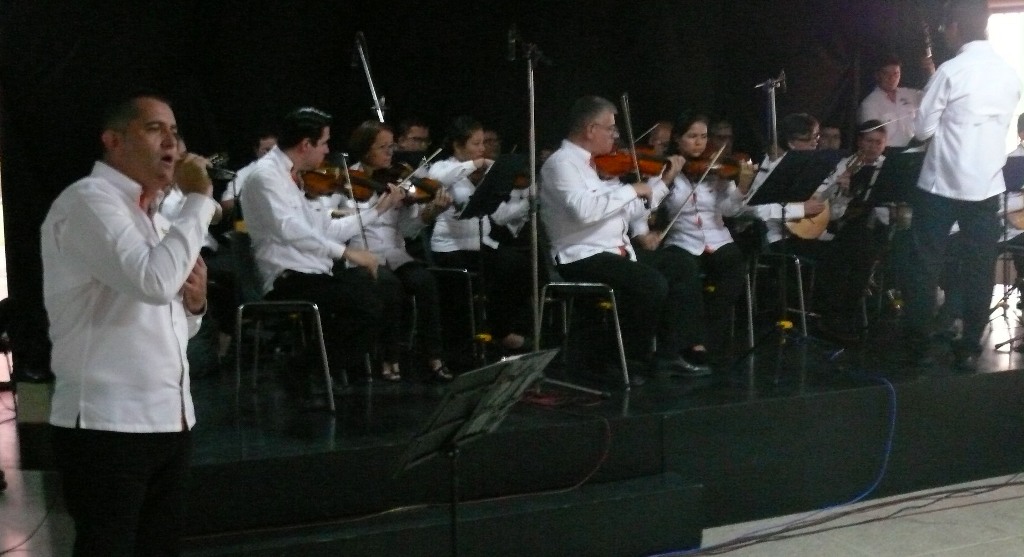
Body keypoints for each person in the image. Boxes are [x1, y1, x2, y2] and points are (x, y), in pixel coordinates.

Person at [41, 91, 218, 555]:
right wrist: (200, 199)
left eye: (176, 133)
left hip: (170, 418)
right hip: (107, 423)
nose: (172, 143)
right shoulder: (87, 201)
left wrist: (195, 307)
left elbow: (171, 319)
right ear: (114, 140)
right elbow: (155, 282)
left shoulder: (157, 216)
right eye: (155, 128)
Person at [240, 107, 401, 392]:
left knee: (385, 291)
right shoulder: (265, 177)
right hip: (287, 276)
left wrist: (378, 210)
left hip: (313, 270)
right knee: (367, 305)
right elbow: (290, 230)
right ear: (306, 145)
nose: (328, 150)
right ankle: (303, 369)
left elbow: (323, 227)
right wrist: (346, 253)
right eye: (324, 143)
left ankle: (320, 369)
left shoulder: (290, 175)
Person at [540, 95, 697, 382]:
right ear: (590, 130)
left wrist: (661, 184)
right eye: (611, 129)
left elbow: (627, 211)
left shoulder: (598, 165)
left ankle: (667, 354)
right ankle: (625, 357)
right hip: (580, 255)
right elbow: (585, 211)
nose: (615, 136)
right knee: (650, 284)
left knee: (681, 265)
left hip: (616, 250)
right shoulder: (560, 164)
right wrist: (631, 189)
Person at [903, 0, 1022, 370]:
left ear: (955, 27)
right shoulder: (1009, 73)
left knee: (925, 264)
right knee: (980, 266)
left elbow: (922, 130)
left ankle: (920, 345)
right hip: (986, 187)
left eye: (945, 28)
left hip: (940, 186)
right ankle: (970, 344)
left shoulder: (951, 71)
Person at [636, 111, 756, 372]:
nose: (699, 143)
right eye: (692, 137)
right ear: (678, 139)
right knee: (685, 272)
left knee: (734, 265)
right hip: (682, 239)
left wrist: (742, 188)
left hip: (718, 237)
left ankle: (710, 337)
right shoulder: (663, 169)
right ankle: (691, 342)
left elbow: (729, 211)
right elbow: (648, 209)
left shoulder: (718, 168)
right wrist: (667, 180)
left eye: (703, 136)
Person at [346, 120, 455, 381]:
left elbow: (408, 230)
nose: (389, 153)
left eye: (391, 146)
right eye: (382, 147)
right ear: (364, 149)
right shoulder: (348, 180)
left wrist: (430, 213)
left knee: (426, 281)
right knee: (390, 286)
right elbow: (340, 225)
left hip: (395, 253)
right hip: (363, 255)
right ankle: (389, 356)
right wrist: (378, 207)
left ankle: (434, 356)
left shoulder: (401, 181)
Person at [428, 115, 533, 354]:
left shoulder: (487, 173)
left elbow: (497, 213)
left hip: (481, 246)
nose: (482, 149)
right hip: (451, 248)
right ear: (458, 145)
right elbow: (439, 178)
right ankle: (460, 346)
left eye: (483, 143)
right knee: (462, 286)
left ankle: (500, 330)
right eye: (476, 144)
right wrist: (477, 164)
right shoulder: (442, 167)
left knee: (517, 265)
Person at [812, 120, 891, 341]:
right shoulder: (843, 165)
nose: (873, 147)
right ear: (859, 141)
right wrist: (841, 190)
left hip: (879, 225)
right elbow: (827, 208)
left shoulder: (888, 167)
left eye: (878, 142)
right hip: (843, 225)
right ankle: (840, 316)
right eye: (868, 141)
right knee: (855, 251)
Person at [858, 55, 931, 148]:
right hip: (887, 154)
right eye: (886, 74)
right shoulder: (869, 104)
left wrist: (931, 73)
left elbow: (933, 97)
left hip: (916, 149)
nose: (892, 78)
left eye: (896, 74)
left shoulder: (910, 94)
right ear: (877, 75)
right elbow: (870, 141)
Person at [220, 130, 277, 216]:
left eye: (276, 150)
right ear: (256, 150)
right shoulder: (243, 174)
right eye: (267, 150)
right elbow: (225, 204)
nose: (272, 154)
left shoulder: (291, 167)